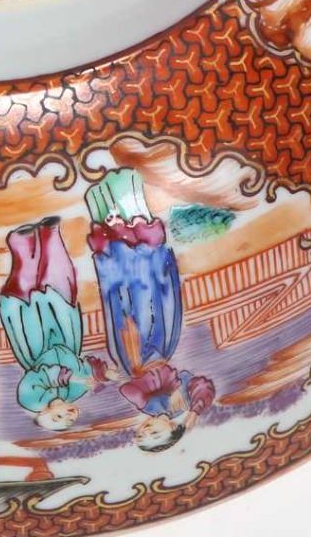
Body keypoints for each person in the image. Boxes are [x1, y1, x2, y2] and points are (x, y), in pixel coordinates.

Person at [83, 170, 215, 451]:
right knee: (153, 291)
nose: (145, 430)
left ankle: (111, 212)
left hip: (129, 353)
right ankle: (129, 205)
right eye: (154, 434)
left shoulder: (150, 407)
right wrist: (192, 412)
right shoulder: (181, 406)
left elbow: (131, 386)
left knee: (122, 296)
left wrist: (107, 375)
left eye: (142, 435)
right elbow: (202, 386)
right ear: (173, 429)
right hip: (158, 342)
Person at [0, 217, 96, 430]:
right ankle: (50, 234)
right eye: (69, 420)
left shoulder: (30, 399)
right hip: (67, 340)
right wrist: (99, 373)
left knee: (24, 292)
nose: (66, 416)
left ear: (42, 413)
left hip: (34, 347)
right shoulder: (77, 391)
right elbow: (86, 366)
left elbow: (40, 374)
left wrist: (70, 378)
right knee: (62, 288)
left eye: (57, 418)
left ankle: (22, 243)